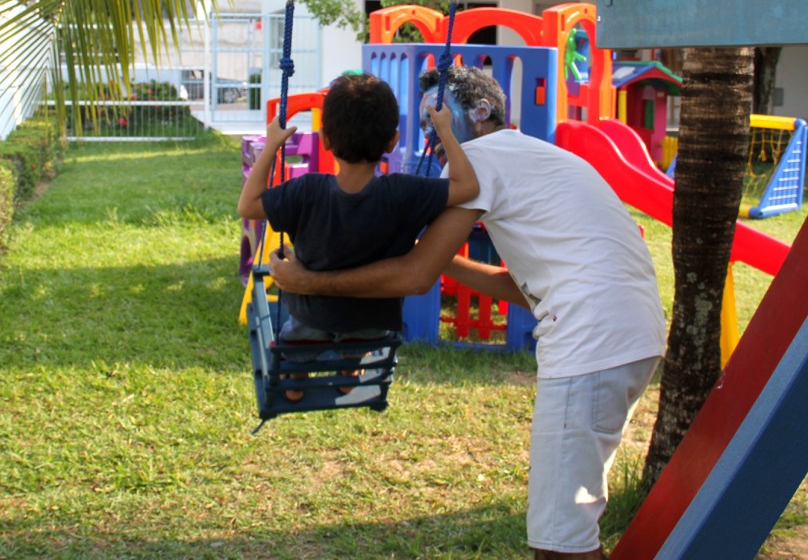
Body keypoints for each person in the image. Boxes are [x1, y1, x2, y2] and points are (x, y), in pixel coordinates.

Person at [269, 66, 667, 559]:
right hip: (633, 335)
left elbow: (415, 277)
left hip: (590, 342)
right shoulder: (535, 155)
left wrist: (309, 283)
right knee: (569, 523)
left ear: (478, 114)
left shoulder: (475, 159)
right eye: (422, 123)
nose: (430, 132)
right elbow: (517, 287)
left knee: (560, 542)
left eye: (438, 116)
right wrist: (422, 250)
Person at [237, 73, 480, 401]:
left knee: (295, 341)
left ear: (324, 139)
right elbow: (468, 187)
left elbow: (248, 205)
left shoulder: (307, 191)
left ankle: (293, 381)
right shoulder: (403, 193)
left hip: (312, 316)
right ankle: (350, 371)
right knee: (360, 338)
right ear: (392, 141)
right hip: (371, 325)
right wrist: (446, 133)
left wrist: (272, 146)